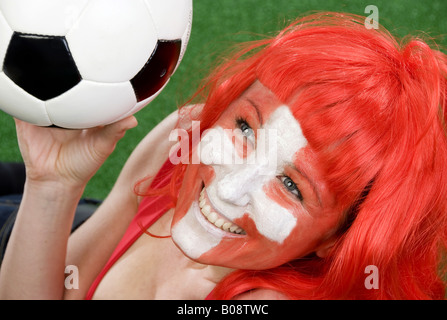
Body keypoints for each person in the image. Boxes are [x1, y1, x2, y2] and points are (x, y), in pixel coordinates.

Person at [0, 12, 446, 300]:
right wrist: (52, 184)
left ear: (338, 241)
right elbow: (61, 288)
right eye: (245, 128)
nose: (229, 187)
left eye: (292, 185)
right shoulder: (184, 141)